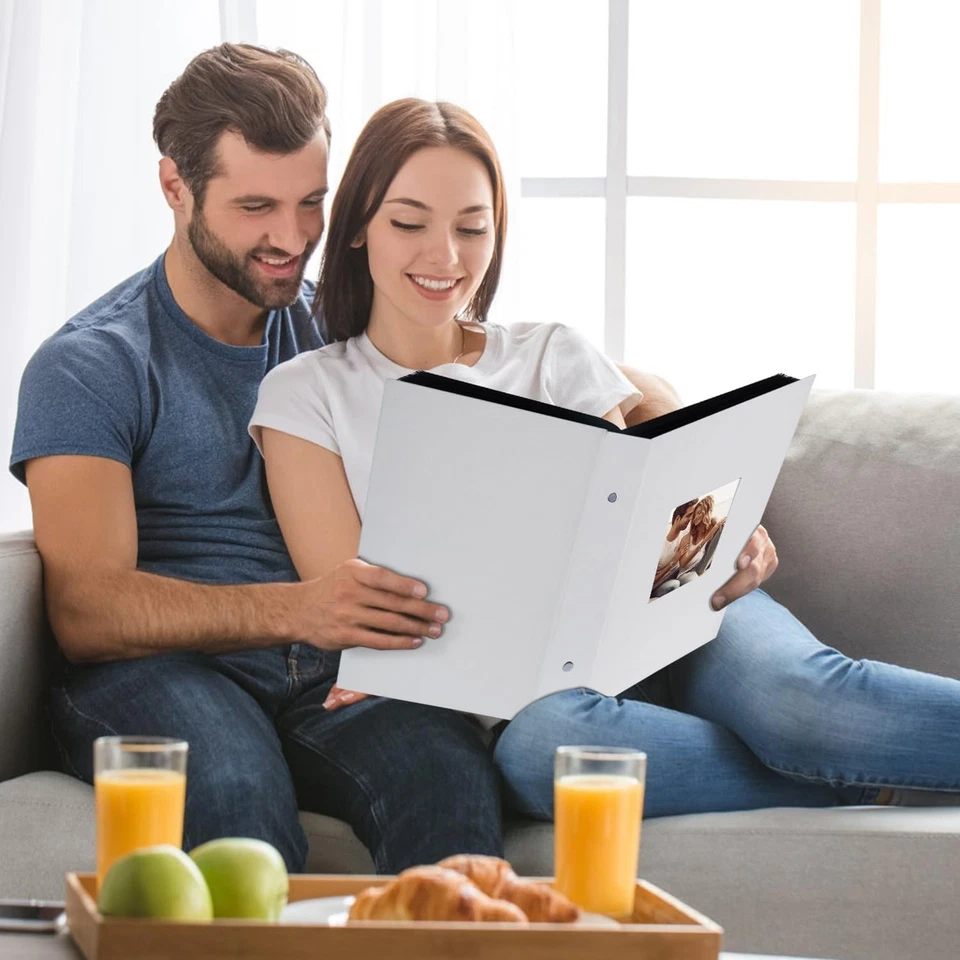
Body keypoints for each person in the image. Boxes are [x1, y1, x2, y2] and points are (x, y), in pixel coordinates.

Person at [9, 44, 681, 873]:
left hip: (336, 672)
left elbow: (555, 366)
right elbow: (88, 612)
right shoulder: (91, 365)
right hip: (164, 671)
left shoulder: (333, 314)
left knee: (446, 783)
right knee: (238, 805)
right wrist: (299, 611)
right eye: (256, 205)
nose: (290, 239)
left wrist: (669, 435)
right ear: (174, 188)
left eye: (311, 202)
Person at [250, 97, 960, 826]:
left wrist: (722, 522)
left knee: (797, 702)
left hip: (671, 608)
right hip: (539, 693)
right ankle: (860, 779)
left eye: (473, 227)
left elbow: (643, 483)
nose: (447, 258)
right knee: (547, 752)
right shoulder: (307, 395)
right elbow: (354, 602)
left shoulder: (551, 352)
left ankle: (843, 757)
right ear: (361, 227)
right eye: (409, 223)